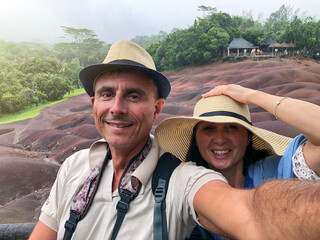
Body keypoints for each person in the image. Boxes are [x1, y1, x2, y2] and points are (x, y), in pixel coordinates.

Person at [29, 40, 320, 240]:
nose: (116, 107)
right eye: (107, 94)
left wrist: (252, 95)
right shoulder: (73, 167)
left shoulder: (179, 180)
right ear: (94, 103)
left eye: (133, 95)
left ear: (157, 108)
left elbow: (250, 213)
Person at [155, 84, 320, 239]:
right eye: (209, 128)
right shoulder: (182, 188)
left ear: (248, 137)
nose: (220, 139)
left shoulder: (275, 172)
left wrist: (251, 95)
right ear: (196, 140)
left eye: (232, 127)